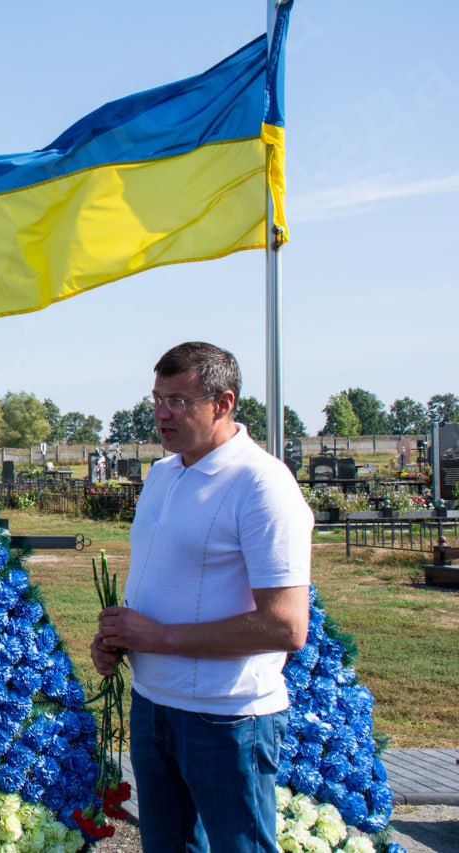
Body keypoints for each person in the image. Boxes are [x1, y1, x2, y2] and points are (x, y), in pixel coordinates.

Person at [91, 342, 312, 852]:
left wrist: (161, 636)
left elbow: (286, 626)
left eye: (179, 401)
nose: (161, 414)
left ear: (224, 403)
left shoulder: (262, 485)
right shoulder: (164, 475)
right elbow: (168, 581)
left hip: (226, 716)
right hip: (154, 705)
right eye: (157, 399)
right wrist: (122, 639)